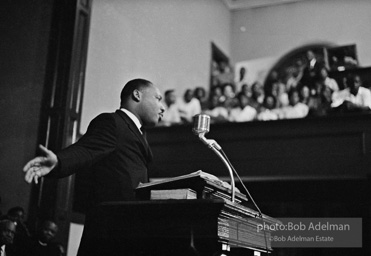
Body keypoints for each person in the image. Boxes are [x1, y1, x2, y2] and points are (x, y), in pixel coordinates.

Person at [23, 78, 165, 256]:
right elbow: (86, 150)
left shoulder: (138, 133)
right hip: (109, 236)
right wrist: (59, 161)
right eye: (158, 98)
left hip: (129, 233)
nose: (162, 107)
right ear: (137, 95)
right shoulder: (112, 122)